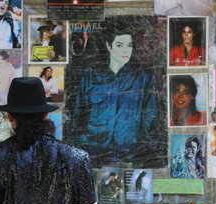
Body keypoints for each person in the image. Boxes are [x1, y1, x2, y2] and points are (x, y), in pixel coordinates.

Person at [67, 20, 161, 167]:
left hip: (128, 152)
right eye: (119, 45)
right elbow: (78, 115)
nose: (126, 51)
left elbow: (150, 115)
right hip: (92, 150)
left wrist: (138, 142)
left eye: (129, 46)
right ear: (109, 46)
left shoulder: (142, 78)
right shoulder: (91, 76)